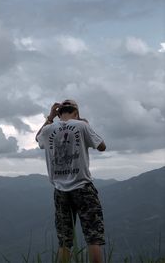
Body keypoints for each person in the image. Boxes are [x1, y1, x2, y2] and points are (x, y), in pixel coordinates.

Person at [35, 99, 106, 263]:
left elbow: (37, 139)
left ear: (59, 113)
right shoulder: (81, 126)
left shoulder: (47, 130)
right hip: (83, 188)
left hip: (60, 191)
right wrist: (85, 124)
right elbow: (102, 146)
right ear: (76, 112)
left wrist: (49, 117)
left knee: (64, 241)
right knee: (93, 237)